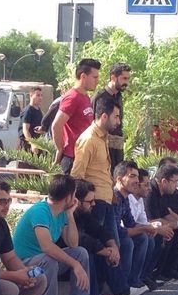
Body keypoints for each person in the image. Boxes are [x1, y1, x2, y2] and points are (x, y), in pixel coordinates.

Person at [12, 174, 107, 295]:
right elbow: (47, 247)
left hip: (42, 259)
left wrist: (70, 215)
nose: (76, 197)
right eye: (74, 194)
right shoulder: (41, 211)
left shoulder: (62, 211)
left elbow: (73, 243)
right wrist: (75, 265)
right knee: (49, 259)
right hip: (24, 263)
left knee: (81, 253)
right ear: (69, 196)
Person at [69, 97, 122, 255]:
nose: (118, 122)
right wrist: (82, 202)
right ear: (104, 116)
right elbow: (77, 175)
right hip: (94, 202)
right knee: (99, 248)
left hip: (106, 201)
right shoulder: (88, 139)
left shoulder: (102, 137)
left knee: (114, 245)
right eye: (116, 117)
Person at [74, 179, 138, 295]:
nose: (93, 204)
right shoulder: (67, 214)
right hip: (63, 257)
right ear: (77, 201)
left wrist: (113, 247)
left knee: (105, 249)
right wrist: (105, 251)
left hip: (77, 255)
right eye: (90, 201)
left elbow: (100, 230)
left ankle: (123, 291)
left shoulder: (84, 213)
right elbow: (80, 238)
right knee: (88, 253)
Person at [114, 161, 159, 294]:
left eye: (137, 177)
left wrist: (148, 228)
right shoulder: (114, 197)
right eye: (132, 176)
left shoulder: (125, 198)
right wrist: (145, 228)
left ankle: (136, 280)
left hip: (119, 233)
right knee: (128, 242)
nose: (136, 181)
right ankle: (124, 287)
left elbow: (131, 223)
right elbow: (118, 230)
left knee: (144, 237)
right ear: (119, 179)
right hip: (108, 238)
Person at [52, 58, 101, 173]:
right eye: (94, 77)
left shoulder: (85, 97)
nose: (97, 80)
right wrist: (60, 149)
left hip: (83, 155)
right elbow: (56, 125)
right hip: (71, 157)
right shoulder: (72, 97)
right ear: (83, 76)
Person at [98, 62, 131, 170]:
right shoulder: (102, 97)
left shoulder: (119, 96)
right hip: (104, 150)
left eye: (127, 79)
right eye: (123, 78)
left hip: (117, 150)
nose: (126, 82)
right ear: (113, 77)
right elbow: (97, 125)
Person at [20, 86, 45, 152]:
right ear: (31, 95)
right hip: (28, 145)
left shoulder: (38, 110)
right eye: (38, 95)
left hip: (38, 143)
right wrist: (32, 144)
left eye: (41, 95)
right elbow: (25, 130)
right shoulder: (28, 111)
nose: (40, 98)